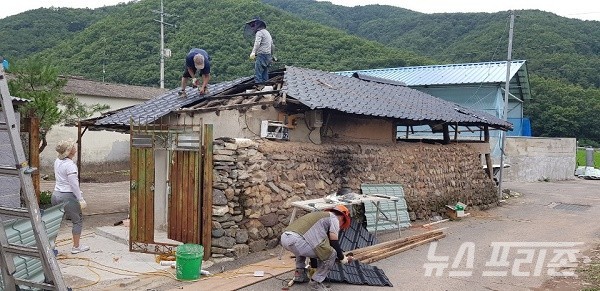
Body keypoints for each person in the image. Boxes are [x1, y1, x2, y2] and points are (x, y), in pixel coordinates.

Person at [280, 205, 353, 291]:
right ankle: (315, 284)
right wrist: (342, 258)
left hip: (285, 238)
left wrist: (313, 270)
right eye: (342, 225)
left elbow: (314, 246)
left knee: (305, 248)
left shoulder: (319, 217)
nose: (340, 227)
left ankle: (299, 275)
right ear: (342, 218)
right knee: (331, 254)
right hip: (298, 241)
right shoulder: (334, 218)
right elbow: (334, 241)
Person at [52, 139, 89, 254]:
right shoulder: (70, 165)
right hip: (67, 196)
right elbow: (73, 184)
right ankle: (76, 247)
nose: (75, 147)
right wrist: (80, 198)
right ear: (69, 151)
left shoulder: (57, 161)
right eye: (72, 146)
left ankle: (50, 246)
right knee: (77, 220)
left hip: (56, 194)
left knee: (55, 222)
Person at [246, 17, 274, 85]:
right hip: (268, 55)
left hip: (262, 54)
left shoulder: (259, 32)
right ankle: (265, 85)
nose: (252, 28)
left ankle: (258, 85)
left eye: (253, 26)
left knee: (258, 70)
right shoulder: (267, 32)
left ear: (257, 25)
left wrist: (253, 52)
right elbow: (272, 45)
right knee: (265, 71)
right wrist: (271, 55)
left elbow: (257, 43)